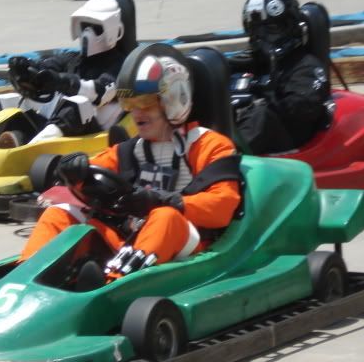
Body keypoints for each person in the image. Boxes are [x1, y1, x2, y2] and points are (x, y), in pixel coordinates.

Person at [19, 49, 242, 288]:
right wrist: (72, 170)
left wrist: (165, 200)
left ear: (173, 99)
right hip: (131, 238)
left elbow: (222, 206)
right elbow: (93, 171)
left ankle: (113, 286)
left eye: (144, 103)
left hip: (188, 244)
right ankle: (24, 279)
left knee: (164, 216)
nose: (136, 114)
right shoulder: (129, 151)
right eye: (130, 104)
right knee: (59, 213)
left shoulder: (210, 145)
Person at [0, 0, 135, 148]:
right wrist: (26, 70)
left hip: (92, 130)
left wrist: (61, 81)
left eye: (95, 28)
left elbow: (100, 92)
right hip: (59, 125)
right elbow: (48, 66)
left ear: (114, 31)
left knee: (78, 105)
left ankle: (28, 150)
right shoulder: (73, 59)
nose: (87, 33)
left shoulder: (121, 65)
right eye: (84, 26)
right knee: (3, 101)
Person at [233, 0, 330, 155]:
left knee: (262, 115)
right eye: (257, 32)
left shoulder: (307, 65)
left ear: (290, 27)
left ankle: (226, 158)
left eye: (272, 29)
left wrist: (262, 94)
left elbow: (303, 107)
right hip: (257, 132)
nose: (265, 38)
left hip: (291, 136)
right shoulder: (254, 62)